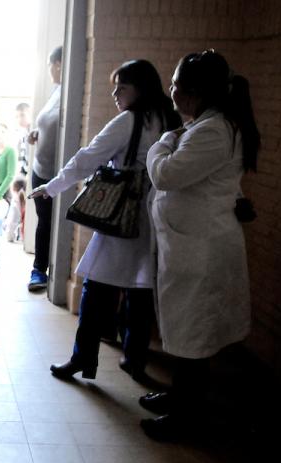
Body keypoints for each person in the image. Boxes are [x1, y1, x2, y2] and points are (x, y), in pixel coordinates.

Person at [31, 59, 182, 382]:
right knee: (141, 291)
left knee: (96, 288)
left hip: (121, 216)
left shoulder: (129, 121)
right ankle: (134, 358)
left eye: (121, 87)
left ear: (139, 89)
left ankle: (83, 358)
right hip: (157, 218)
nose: (115, 93)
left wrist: (52, 186)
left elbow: (88, 157)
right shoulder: (172, 119)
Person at [141, 50, 258, 440]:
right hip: (187, 244)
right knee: (184, 329)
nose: (171, 91)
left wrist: (161, 142)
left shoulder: (213, 131)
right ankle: (179, 397)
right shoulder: (204, 125)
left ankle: (186, 417)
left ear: (196, 92)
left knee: (194, 334)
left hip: (200, 250)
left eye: (176, 85)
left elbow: (166, 174)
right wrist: (174, 137)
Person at [26, 46, 63, 292]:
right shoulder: (57, 91)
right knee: (44, 221)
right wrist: (37, 133)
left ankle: (41, 270)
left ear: (59, 63)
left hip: (55, 174)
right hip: (41, 168)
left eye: (51, 64)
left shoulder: (68, 92)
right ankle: (39, 269)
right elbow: (50, 124)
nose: (49, 69)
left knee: (49, 223)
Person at [15, 102, 32, 176]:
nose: (19, 119)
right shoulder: (22, 134)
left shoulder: (33, 132)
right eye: (17, 116)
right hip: (24, 172)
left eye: (22, 115)